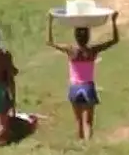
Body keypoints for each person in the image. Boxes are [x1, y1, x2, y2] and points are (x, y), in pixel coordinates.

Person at [46, 11, 119, 140]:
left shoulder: (71, 50)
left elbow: (50, 42)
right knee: (88, 123)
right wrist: (113, 21)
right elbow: (114, 40)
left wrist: (50, 21)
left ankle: (80, 147)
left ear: (75, 37)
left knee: (78, 122)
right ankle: (88, 148)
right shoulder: (92, 51)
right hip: (88, 88)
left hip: (74, 88)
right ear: (88, 37)